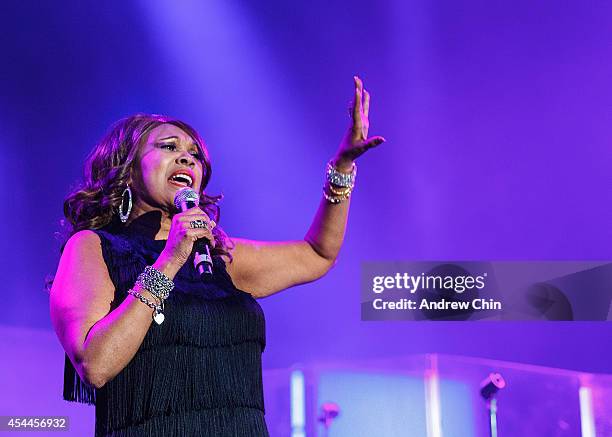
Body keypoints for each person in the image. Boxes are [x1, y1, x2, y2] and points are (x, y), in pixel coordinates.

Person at [49, 76, 385, 436]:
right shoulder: (93, 247)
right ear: (127, 170)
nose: (186, 157)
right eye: (168, 146)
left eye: (194, 155)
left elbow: (318, 254)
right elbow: (96, 365)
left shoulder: (217, 256)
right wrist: (170, 260)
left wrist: (343, 167)